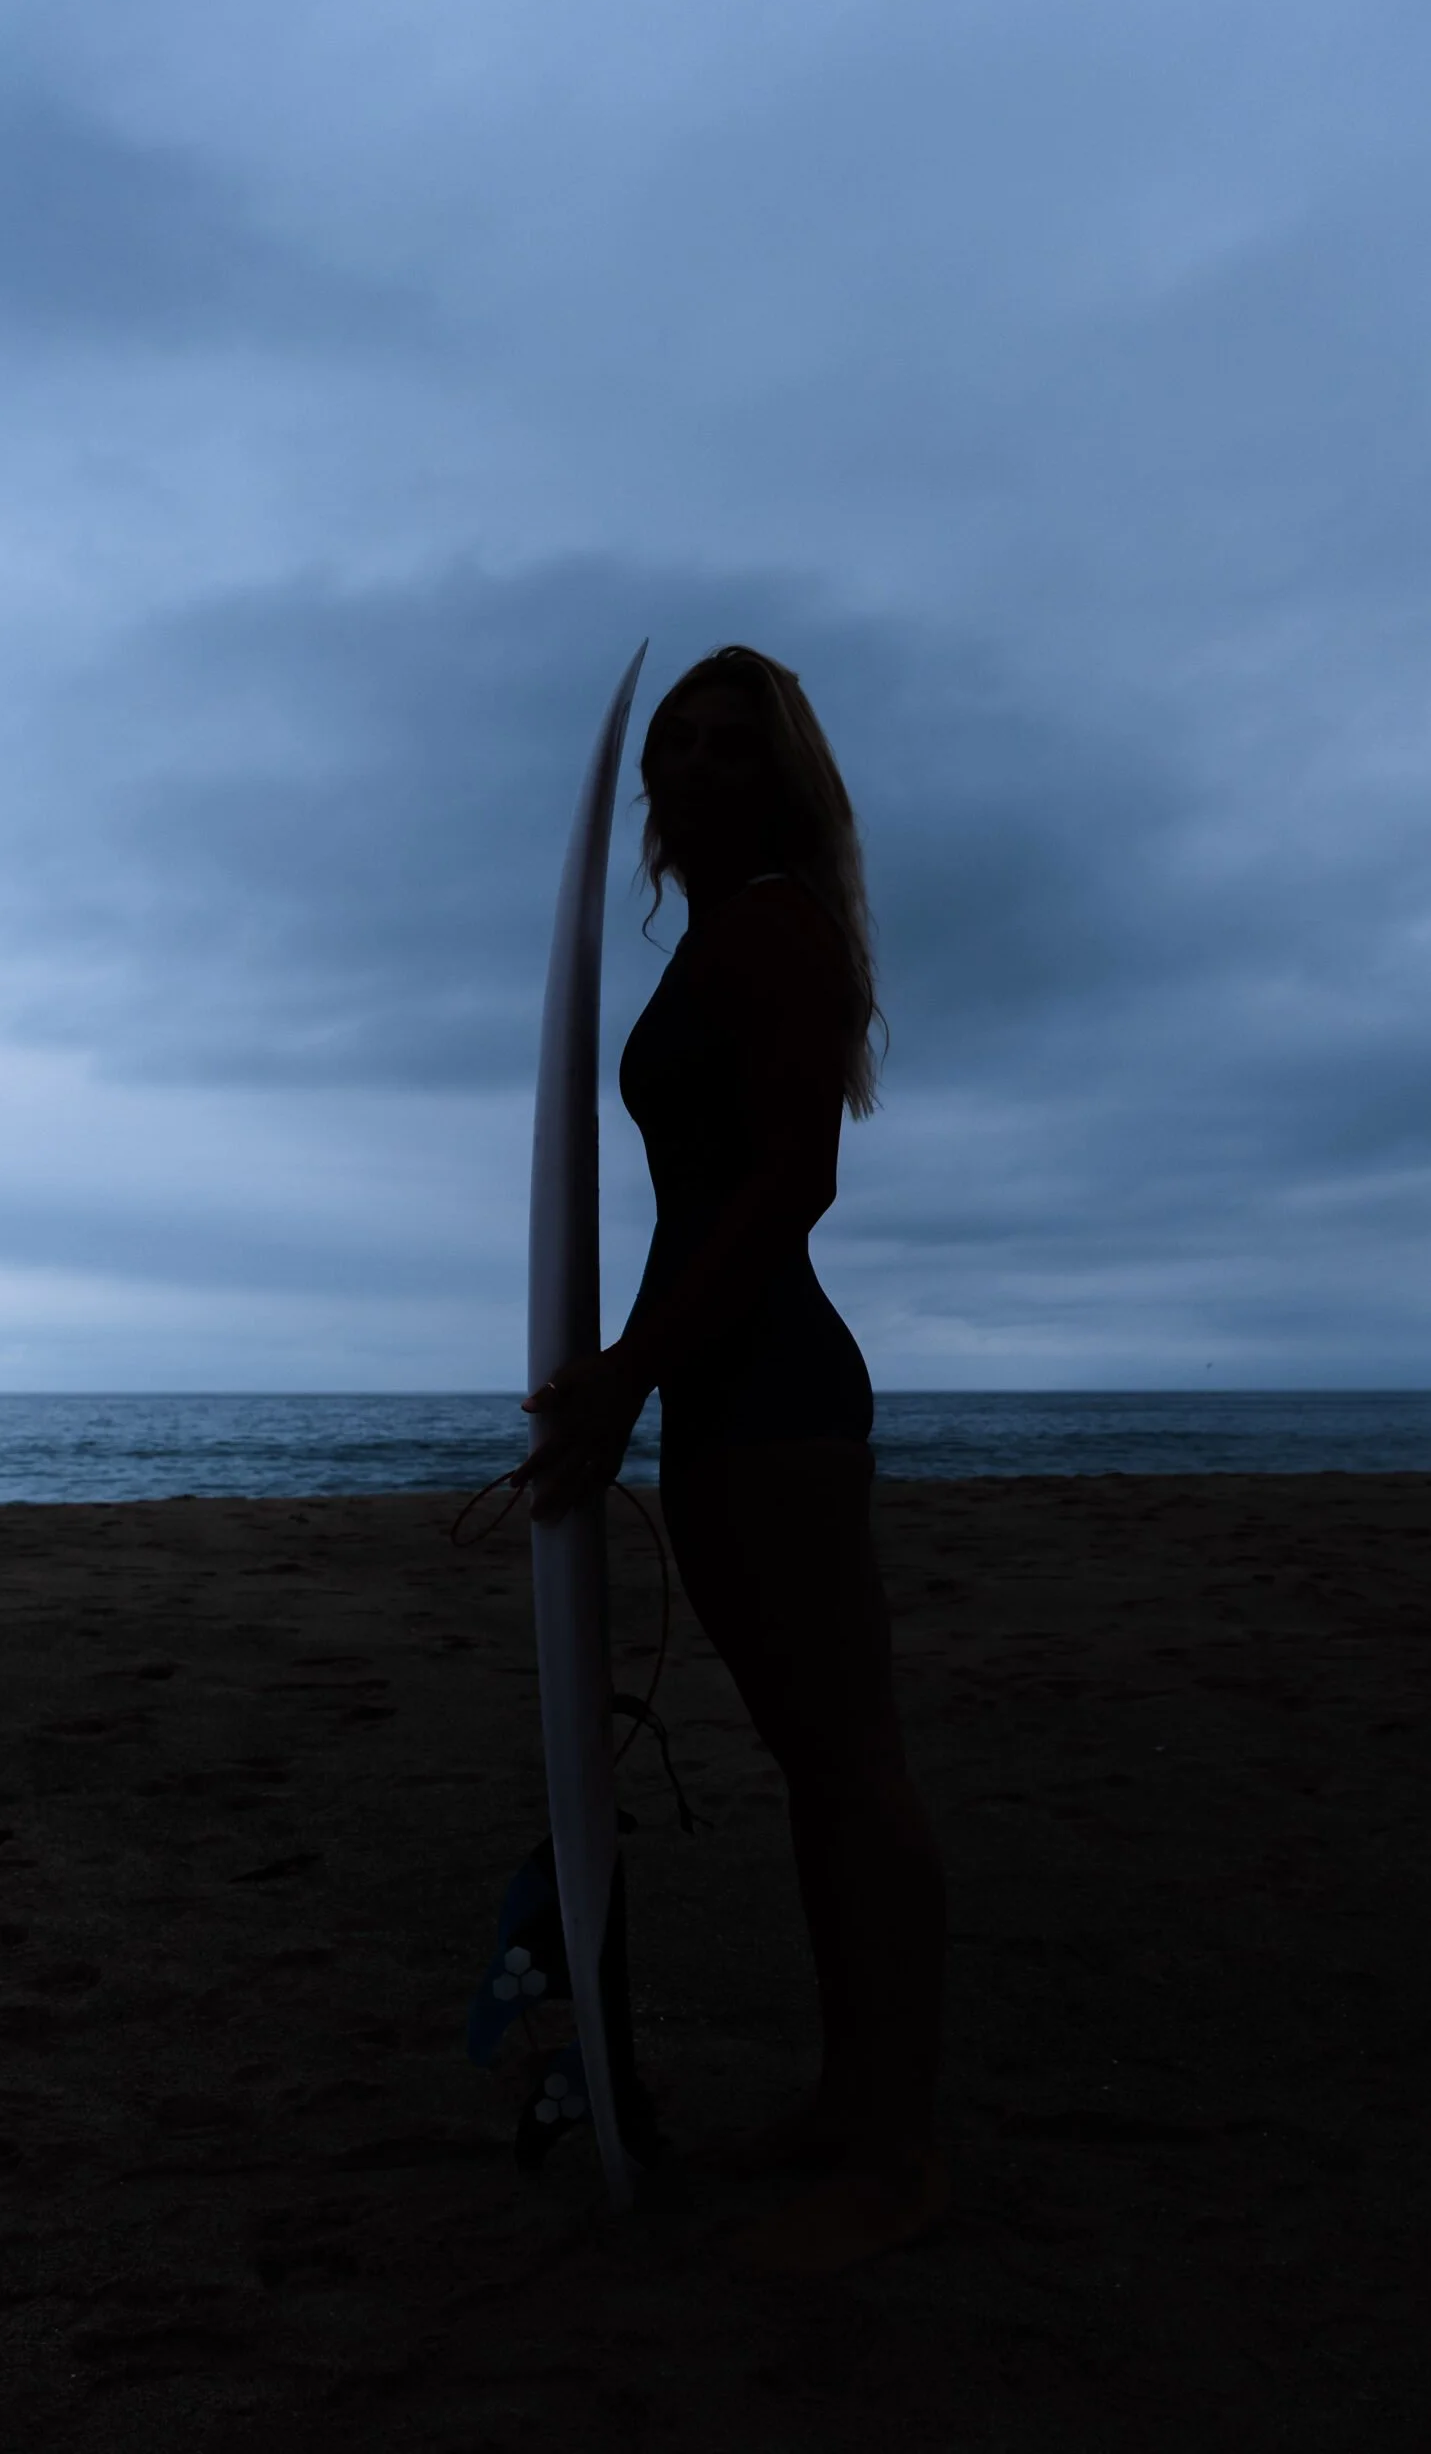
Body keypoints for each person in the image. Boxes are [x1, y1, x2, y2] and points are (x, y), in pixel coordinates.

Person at [510, 644, 948, 2276]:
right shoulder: (716, 936)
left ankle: (898, 2156)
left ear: (777, 781)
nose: (686, 771)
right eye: (670, 749)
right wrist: (639, 1377)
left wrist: (626, 1371)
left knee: (849, 1766)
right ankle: (851, 2104)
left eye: (723, 748)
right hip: (721, 1384)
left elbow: (786, 1188)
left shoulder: (768, 925)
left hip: (764, 1389)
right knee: (811, 1769)